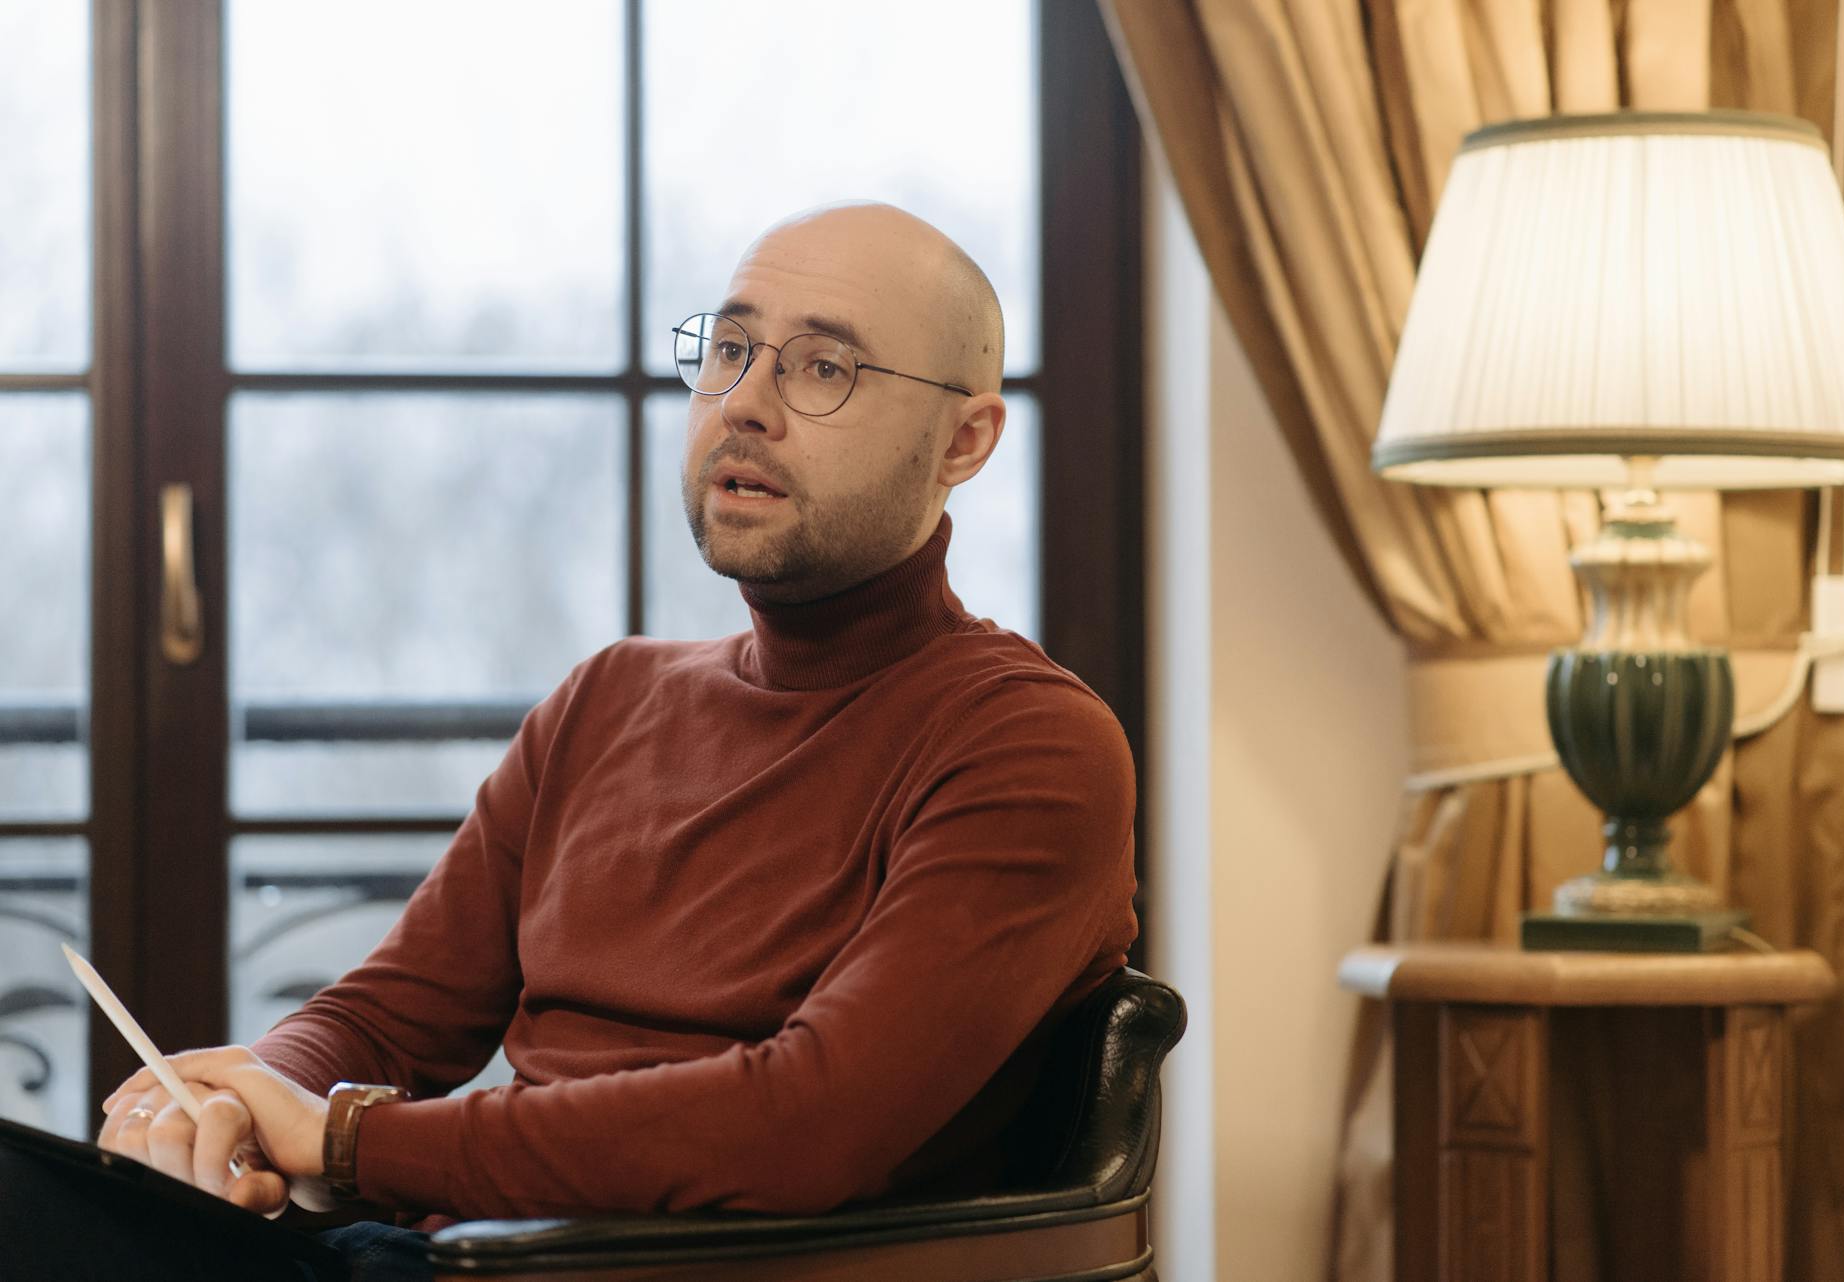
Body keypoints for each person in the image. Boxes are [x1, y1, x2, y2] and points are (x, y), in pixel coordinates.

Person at [0, 202, 1138, 1280]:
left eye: (822, 366)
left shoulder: (1029, 746)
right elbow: (388, 1017)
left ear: (966, 440)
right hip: (428, 1255)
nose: (743, 402)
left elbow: (807, 1118)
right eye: (729, 350)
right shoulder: (612, 698)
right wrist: (247, 1097)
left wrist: (345, 1144)